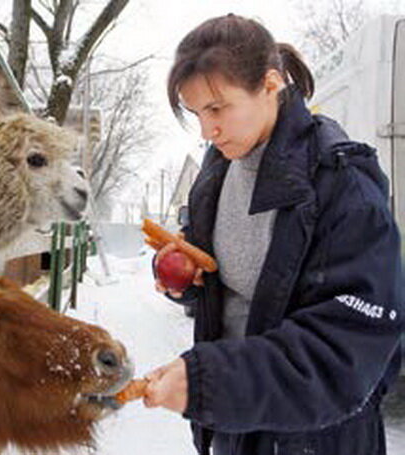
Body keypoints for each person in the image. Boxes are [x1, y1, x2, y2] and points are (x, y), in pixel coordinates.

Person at [143, 13, 404, 455]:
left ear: (270, 84)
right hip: (237, 427)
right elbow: (230, 281)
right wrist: (186, 279)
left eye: (217, 108)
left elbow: (343, 353)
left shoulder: (344, 187)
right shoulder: (218, 168)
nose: (208, 131)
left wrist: (210, 382)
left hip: (320, 440)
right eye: (195, 114)